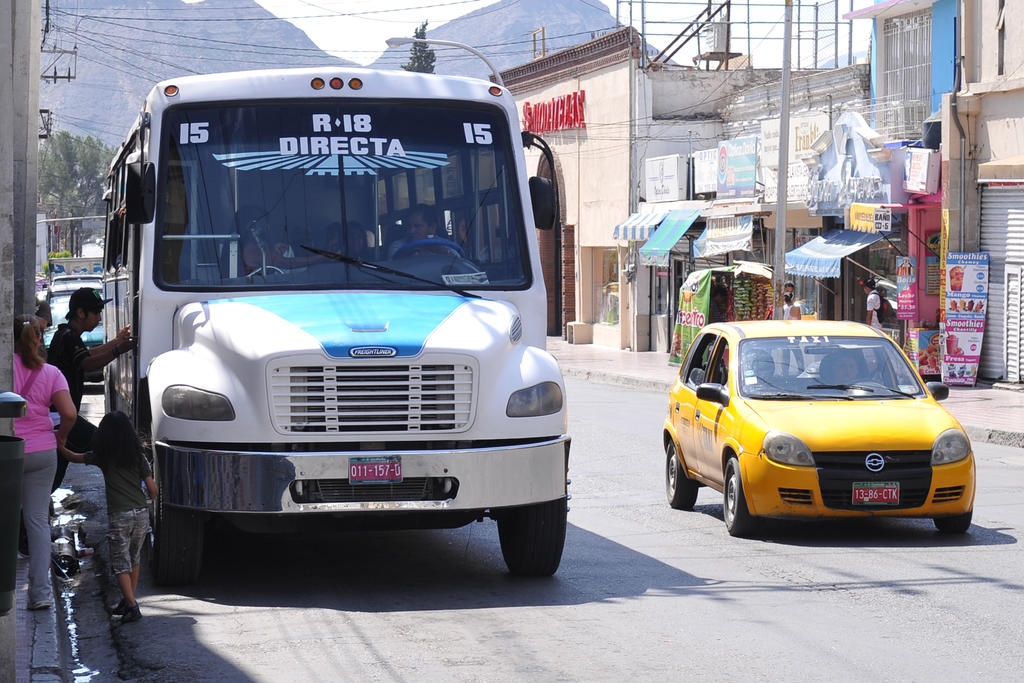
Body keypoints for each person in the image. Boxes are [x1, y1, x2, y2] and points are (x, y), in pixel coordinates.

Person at [61, 412, 157, 623]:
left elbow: (74, 457)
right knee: (134, 558)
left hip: (119, 514)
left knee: (119, 562)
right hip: (141, 513)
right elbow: (152, 489)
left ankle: (132, 606)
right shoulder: (138, 456)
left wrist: (59, 443)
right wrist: (148, 501)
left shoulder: (103, 456)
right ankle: (128, 598)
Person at [13, 314, 77, 610]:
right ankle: (39, 593)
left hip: (7, 453)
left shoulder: (4, 368)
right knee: (37, 521)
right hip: (42, 451)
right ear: (39, 338)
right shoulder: (52, 373)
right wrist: (60, 438)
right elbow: (70, 414)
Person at [47, 287, 134, 491]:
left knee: (58, 468)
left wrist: (116, 341)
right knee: (105, 445)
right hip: (61, 418)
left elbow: (88, 354)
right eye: (95, 312)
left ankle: (36, 509)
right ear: (80, 313)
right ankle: (125, 499)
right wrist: (118, 350)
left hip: (62, 417)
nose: (99, 317)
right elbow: (88, 363)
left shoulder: (67, 335)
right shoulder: (67, 336)